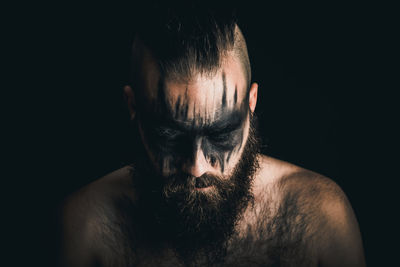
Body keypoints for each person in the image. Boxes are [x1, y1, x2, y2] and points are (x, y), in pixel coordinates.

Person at [58, 2, 365, 266]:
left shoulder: (320, 217)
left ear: (251, 104)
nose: (197, 166)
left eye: (221, 134)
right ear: (132, 106)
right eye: (169, 136)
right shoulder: (85, 227)